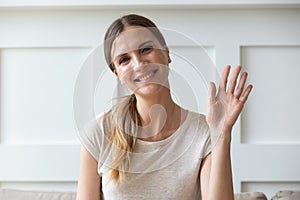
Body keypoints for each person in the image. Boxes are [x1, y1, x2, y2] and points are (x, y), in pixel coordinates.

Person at [76, 14, 253, 200]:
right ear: (117, 74)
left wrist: (221, 134)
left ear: (167, 53)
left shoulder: (203, 131)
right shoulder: (99, 133)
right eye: (124, 60)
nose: (138, 64)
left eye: (145, 49)